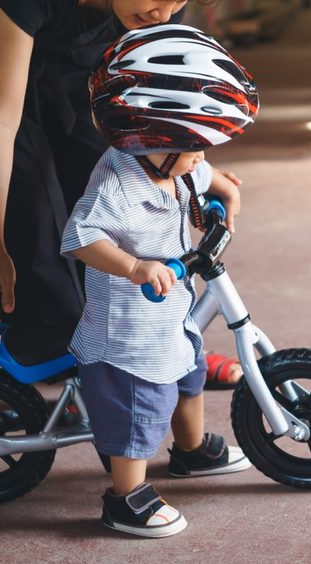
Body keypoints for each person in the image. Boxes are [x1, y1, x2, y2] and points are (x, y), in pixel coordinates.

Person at [0, 0, 243, 386]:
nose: (166, 12)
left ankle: (161, 348)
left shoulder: (155, 6)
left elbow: (152, 107)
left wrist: (196, 168)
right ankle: (56, 349)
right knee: (28, 210)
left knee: (113, 177)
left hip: (87, 19)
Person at [60, 24, 259, 537]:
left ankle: (190, 451)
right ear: (151, 136)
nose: (201, 159)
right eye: (196, 149)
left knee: (188, 375)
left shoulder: (173, 159)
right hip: (128, 333)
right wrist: (133, 266)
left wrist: (227, 193)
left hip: (168, 313)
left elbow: (207, 175)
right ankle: (125, 497)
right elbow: (79, 236)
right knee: (138, 406)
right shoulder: (118, 185)